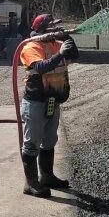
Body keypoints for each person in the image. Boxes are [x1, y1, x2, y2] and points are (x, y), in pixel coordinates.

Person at [20, 13, 79, 198]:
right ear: (43, 29)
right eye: (53, 26)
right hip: (36, 103)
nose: (56, 29)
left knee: (49, 141)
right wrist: (60, 54)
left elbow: (74, 55)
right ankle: (30, 183)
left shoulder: (56, 45)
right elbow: (40, 67)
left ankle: (47, 176)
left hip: (53, 102)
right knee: (31, 144)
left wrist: (67, 39)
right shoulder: (31, 47)